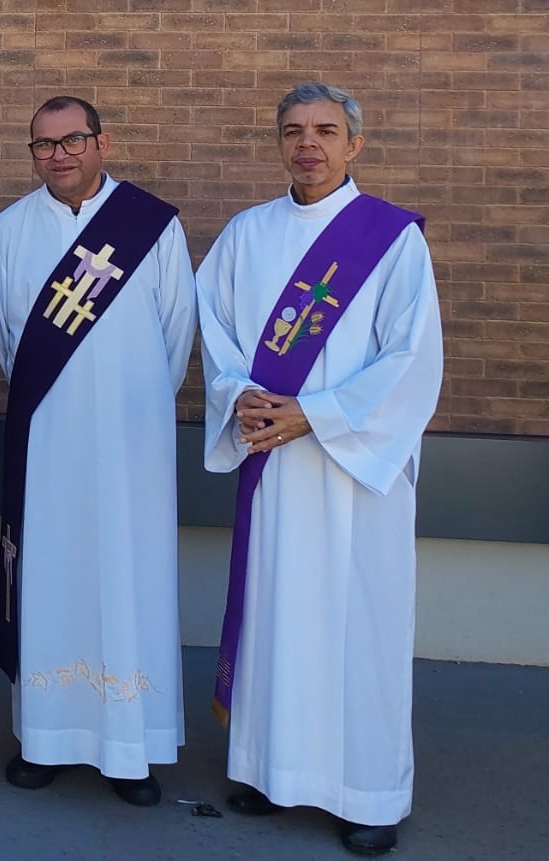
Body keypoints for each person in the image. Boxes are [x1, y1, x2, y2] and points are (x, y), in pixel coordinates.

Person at [196, 82, 443, 856]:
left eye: (326, 130)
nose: (309, 143)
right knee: (279, 617)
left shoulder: (392, 238)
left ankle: (367, 791)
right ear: (278, 141)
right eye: (294, 130)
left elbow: (412, 360)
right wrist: (240, 396)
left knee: (356, 626)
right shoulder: (246, 233)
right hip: (273, 465)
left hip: (352, 474)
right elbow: (218, 334)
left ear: (354, 144)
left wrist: (315, 414)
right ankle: (274, 771)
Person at [0, 95, 196, 806]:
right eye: (43, 145)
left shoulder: (152, 226)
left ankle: (129, 747)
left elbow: (175, 335)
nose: (59, 154)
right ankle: (45, 737)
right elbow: (9, 346)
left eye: (73, 139)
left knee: (128, 582)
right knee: (52, 578)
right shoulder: (8, 231)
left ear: (103, 142)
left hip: (132, 444)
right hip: (46, 442)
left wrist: (129, 414)